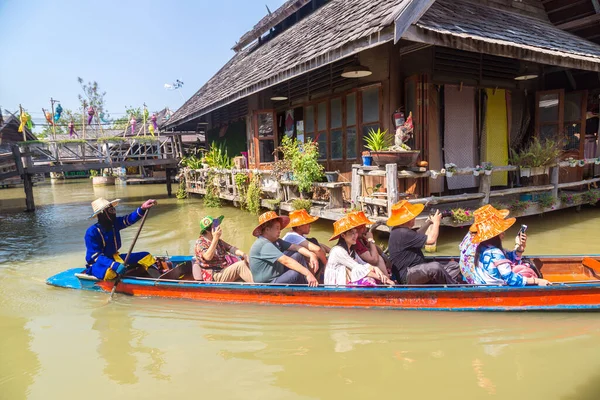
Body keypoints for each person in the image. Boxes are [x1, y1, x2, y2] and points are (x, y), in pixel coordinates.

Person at [387, 200, 461, 285]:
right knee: (435, 267)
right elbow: (431, 240)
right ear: (409, 219)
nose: (414, 218)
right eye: (413, 217)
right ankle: (455, 287)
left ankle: (439, 285)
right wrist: (437, 222)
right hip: (408, 275)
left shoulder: (400, 231)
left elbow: (417, 234)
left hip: (418, 270)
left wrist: (430, 222)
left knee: (454, 265)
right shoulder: (403, 233)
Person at [84, 197, 158, 280]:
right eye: (110, 211)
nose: (113, 213)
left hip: (115, 258)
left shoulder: (114, 223)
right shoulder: (92, 232)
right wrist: (114, 265)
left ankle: (159, 280)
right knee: (109, 273)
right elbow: (95, 257)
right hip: (99, 264)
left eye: (113, 209)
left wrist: (142, 208)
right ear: (102, 214)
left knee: (146, 256)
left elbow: (129, 219)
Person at [470, 212, 551, 287]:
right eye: (501, 231)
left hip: (484, 286)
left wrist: (520, 247)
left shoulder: (482, 247)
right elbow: (510, 279)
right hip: (496, 289)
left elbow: (507, 257)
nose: (504, 233)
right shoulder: (495, 252)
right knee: (528, 273)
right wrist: (536, 281)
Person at [249, 211, 318, 286]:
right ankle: (307, 289)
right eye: (277, 228)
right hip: (267, 284)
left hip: (278, 275)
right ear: (267, 230)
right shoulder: (264, 244)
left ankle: (308, 283)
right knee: (295, 273)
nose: (280, 231)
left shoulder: (275, 241)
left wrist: (311, 254)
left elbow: (295, 247)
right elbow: (286, 261)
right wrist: (308, 274)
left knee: (298, 255)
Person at [324, 215, 394, 286]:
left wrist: (374, 268)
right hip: (334, 285)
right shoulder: (338, 251)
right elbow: (357, 267)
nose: (355, 236)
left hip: (342, 282)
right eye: (351, 233)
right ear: (343, 235)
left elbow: (363, 264)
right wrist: (384, 278)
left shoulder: (351, 249)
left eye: (355, 233)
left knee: (373, 274)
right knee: (369, 281)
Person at [191, 215, 253, 283]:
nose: (219, 227)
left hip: (224, 270)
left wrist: (244, 254)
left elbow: (231, 248)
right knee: (240, 265)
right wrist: (215, 238)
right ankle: (259, 286)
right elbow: (208, 257)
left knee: (245, 262)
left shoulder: (218, 241)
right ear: (211, 230)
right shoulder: (200, 243)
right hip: (214, 276)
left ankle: (259, 281)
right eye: (216, 226)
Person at [459, 205, 510, 284]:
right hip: (479, 282)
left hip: (468, 277)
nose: (504, 233)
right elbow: (509, 277)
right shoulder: (491, 250)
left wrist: (519, 249)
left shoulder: (469, 236)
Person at [348, 211, 391, 278]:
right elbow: (374, 260)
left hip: (369, 266)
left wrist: (385, 258)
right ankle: (387, 281)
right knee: (378, 258)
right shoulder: (355, 242)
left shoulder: (361, 238)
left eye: (365, 226)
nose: (365, 229)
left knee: (376, 253)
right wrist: (371, 240)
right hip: (362, 270)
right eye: (362, 227)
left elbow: (375, 248)